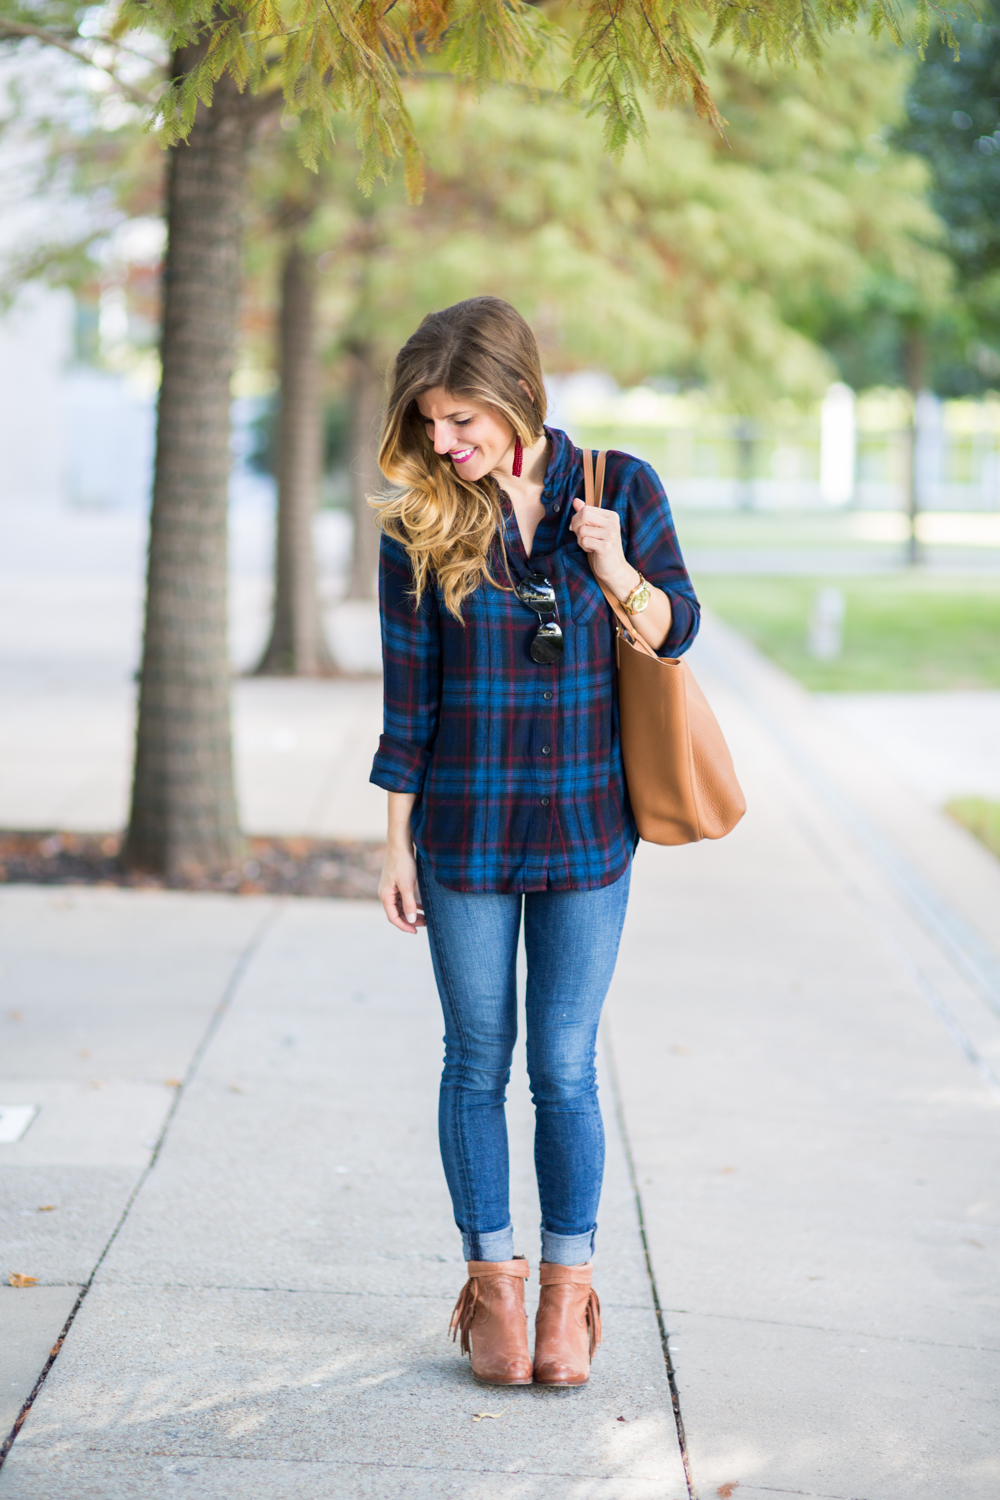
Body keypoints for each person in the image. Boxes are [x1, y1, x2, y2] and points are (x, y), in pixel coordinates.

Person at [370, 296, 699, 1387]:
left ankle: (567, 1308)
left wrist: (615, 568)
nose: (443, 443)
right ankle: (497, 1306)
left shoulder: (618, 488)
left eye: (460, 419)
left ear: (517, 396)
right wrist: (394, 842)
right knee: (476, 1063)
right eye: (429, 424)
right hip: (461, 834)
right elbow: (407, 702)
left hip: (586, 832)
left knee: (563, 1068)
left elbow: (676, 628)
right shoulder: (420, 519)